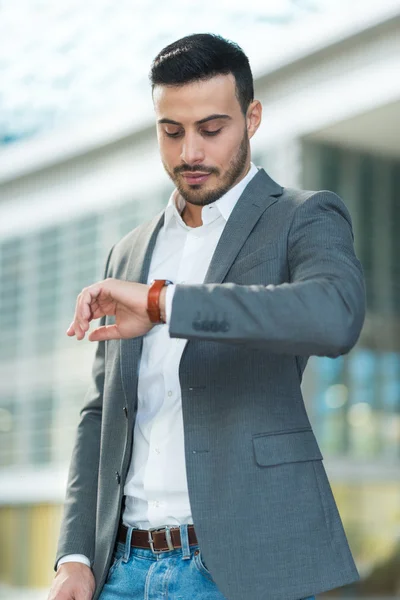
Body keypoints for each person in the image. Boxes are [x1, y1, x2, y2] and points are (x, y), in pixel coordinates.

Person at [48, 33, 365, 600]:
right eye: (172, 132)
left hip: (245, 571)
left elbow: (335, 315)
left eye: (211, 129)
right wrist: (74, 556)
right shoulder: (129, 251)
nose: (190, 152)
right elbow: (101, 413)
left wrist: (163, 302)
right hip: (122, 571)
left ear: (252, 117)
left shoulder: (301, 217)